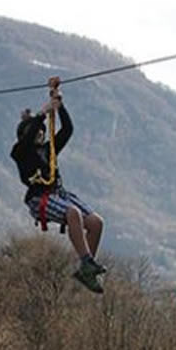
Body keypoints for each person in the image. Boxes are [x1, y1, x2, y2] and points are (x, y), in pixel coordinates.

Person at [11, 77, 107, 293]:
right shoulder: (20, 152)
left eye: (41, 132)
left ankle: (86, 267)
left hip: (58, 192)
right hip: (39, 198)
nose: (41, 134)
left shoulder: (48, 149)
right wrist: (42, 112)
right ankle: (86, 261)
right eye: (37, 132)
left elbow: (68, 130)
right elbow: (26, 141)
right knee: (72, 213)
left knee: (96, 222)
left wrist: (59, 106)